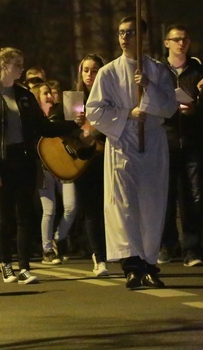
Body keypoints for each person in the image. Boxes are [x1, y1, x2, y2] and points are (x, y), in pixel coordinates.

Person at [86, 17, 177, 289]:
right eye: (121, 32)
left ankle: (149, 262)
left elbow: (170, 107)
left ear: (143, 36)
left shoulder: (158, 70)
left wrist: (148, 85)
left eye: (131, 32)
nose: (124, 37)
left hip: (151, 145)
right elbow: (95, 110)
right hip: (122, 144)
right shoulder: (108, 73)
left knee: (151, 203)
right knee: (125, 206)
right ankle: (131, 264)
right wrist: (127, 114)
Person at [0, 47, 78, 285]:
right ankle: (6, 264)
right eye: (18, 64)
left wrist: (70, 125)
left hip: (23, 159)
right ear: (4, 66)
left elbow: (42, 126)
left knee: (25, 215)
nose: (21, 68)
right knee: (6, 216)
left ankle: (24, 267)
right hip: (1, 161)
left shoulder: (23, 95)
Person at [159, 23, 203, 266]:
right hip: (166, 138)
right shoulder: (159, 71)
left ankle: (192, 249)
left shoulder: (198, 70)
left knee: (194, 194)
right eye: (177, 39)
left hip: (192, 139)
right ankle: (167, 246)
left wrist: (196, 109)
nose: (182, 43)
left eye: (186, 39)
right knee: (166, 195)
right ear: (166, 42)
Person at [29, 83, 77, 265]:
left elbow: (71, 129)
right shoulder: (34, 117)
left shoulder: (62, 112)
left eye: (50, 92)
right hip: (44, 167)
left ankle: (59, 237)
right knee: (49, 209)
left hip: (65, 165)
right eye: (45, 93)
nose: (49, 95)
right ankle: (47, 249)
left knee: (71, 206)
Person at [73, 54, 110, 277]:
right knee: (91, 210)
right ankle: (99, 257)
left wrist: (92, 130)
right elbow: (64, 131)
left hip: (107, 158)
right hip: (84, 161)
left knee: (111, 208)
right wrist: (75, 125)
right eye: (86, 70)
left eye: (94, 70)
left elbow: (114, 124)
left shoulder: (109, 97)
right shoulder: (75, 99)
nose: (89, 75)